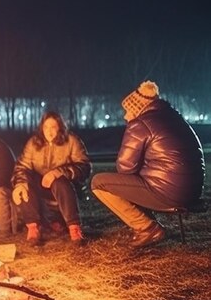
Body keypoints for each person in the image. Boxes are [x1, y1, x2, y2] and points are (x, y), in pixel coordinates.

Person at [91, 81, 205, 247]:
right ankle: (147, 224)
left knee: (98, 182)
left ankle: (147, 227)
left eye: (127, 111)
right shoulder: (173, 117)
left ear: (137, 108)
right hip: (192, 191)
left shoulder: (140, 124)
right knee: (135, 180)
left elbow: (125, 168)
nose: (125, 116)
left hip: (169, 193)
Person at [12, 111, 91, 244]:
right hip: (41, 188)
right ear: (41, 128)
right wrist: (20, 183)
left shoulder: (71, 141)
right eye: (46, 127)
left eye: (53, 127)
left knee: (59, 182)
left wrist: (58, 172)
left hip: (65, 189)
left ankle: (74, 228)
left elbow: (84, 167)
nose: (49, 132)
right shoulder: (33, 143)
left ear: (60, 127)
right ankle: (33, 228)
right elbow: (22, 167)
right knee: (25, 186)